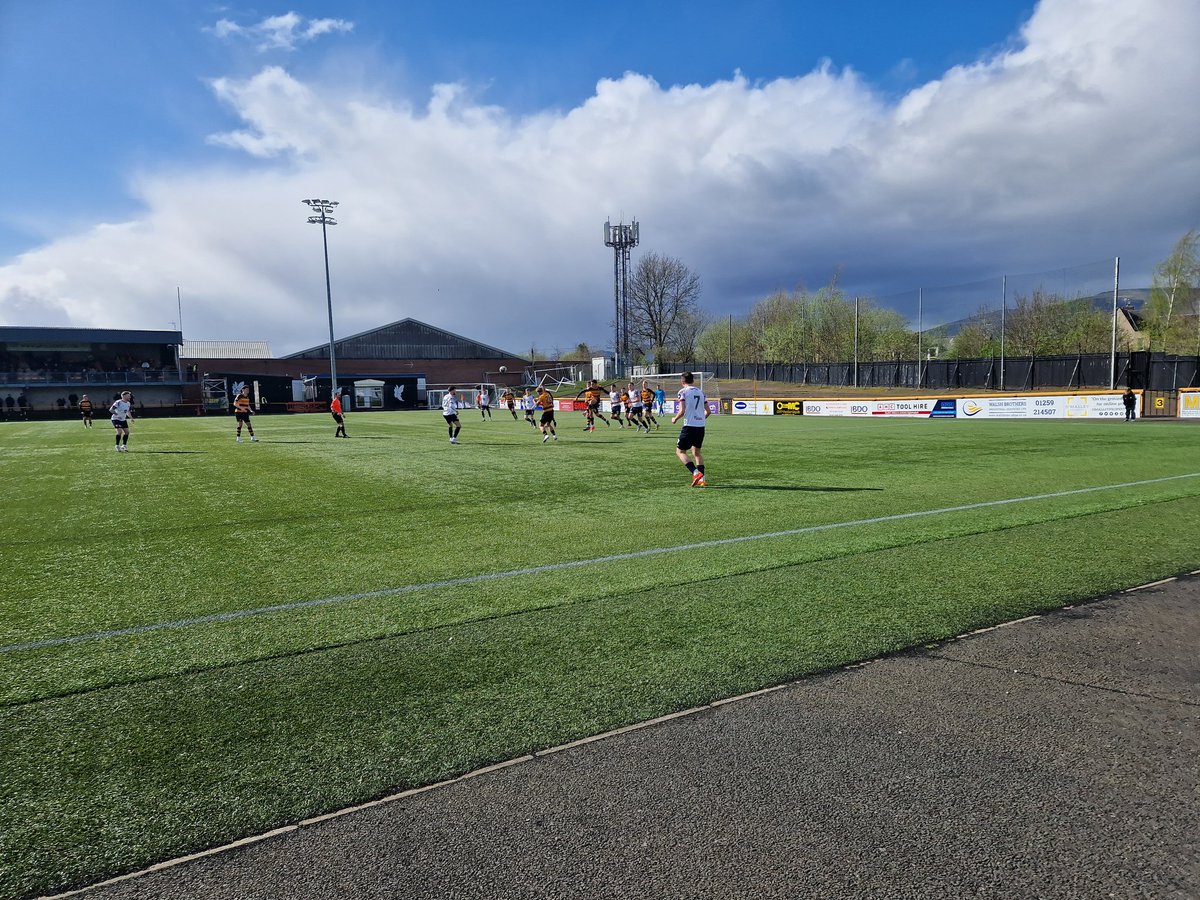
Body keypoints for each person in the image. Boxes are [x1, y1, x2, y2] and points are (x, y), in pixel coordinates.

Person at [671, 372, 710, 487]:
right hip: (700, 427)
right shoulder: (701, 392)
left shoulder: (682, 392)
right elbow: (708, 411)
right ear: (693, 381)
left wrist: (675, 419)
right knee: (697, 452)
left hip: (689, 426)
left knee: (680, 451)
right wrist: (700, 420)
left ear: (682, 382)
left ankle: (695, 473)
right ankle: (702, 480)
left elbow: (682, 411)